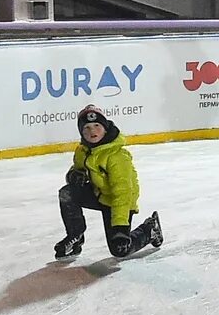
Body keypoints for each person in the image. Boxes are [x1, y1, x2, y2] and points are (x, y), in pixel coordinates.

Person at [55, 104, 161, 260]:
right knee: (67, 193)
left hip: (119, 201)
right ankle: (75, 236)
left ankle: (150, 229)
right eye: (87, 128)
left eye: (97, 125)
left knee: (120, 250)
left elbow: (123, 193)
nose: (92, 132)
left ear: (105, 127)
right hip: (99, 193)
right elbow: (77, 168)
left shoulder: (117, 157)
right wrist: (73, 175)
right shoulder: (83, 151)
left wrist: (120, 227)